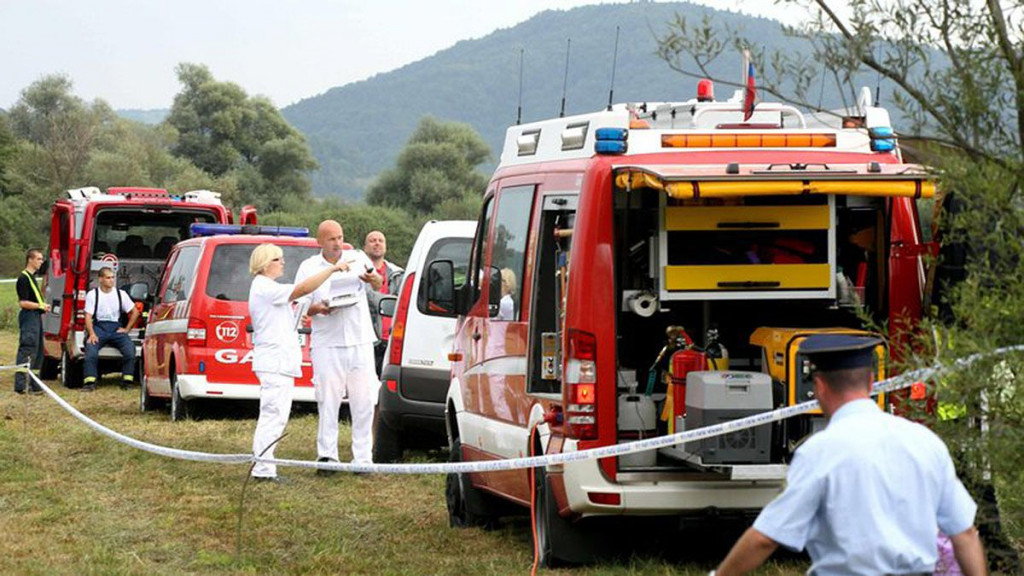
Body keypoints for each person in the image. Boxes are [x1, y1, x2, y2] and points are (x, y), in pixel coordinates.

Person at [712, 334, 988, 576]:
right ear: (870, 381)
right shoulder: (925, 441)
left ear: (818, 386)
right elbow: (964, 533)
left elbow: (765, 539)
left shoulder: (818, 452)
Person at [248, 243, 346, 482]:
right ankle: (263, 469)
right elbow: (302, 289)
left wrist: (302, 314)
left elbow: (282, 318)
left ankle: (265, 465)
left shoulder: (267, 288)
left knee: (277, 414)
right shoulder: (264, 287)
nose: (282, 263)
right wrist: (331, 271)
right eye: (277, 259)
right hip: (274, 362)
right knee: (273, 414)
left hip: (279, 361)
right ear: (265, 264)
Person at [296, 220, 383, 472]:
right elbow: (301, 303)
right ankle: (327, 457)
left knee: (364, 400)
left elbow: (377, 284)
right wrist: (320, 308)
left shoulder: (356, 257)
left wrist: (372, 277)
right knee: (327, 398)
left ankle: (363, 459)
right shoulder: (309, 267)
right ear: (320, 242)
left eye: (340, 237)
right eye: (332, 239)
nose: (337, 243)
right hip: (328, 340)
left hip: (359, 338)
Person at [82, 267, 141, 392]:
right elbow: (88, 316)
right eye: (108, 278)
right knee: (91, 352)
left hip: (116, 329)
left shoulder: (121, 294)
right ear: (100, 279)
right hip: (99, 328)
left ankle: (127, 381)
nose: (111, 280)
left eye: (113, 277)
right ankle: (90, 382)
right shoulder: (93, 294)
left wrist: (127, 329)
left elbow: (135, 312)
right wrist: (92, 334)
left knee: (130, 351)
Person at [363, 230, 403, 374]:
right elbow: (366, 297)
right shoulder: (359, 271)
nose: (377, 243)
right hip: (367, 339)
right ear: (365, 247)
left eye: (380, 241)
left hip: (392, 339)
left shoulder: (398, 274)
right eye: (372, 241)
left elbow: (402, 301)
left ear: (385, 246)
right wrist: (388, 301)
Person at [15, 249, 47, 395]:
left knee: (38, 350)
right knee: (27, 348)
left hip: (36, 316)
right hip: (29, 317)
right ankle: (20, 385)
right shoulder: (23, 278)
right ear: (30, 259)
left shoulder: (32, 277)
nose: (41, 262)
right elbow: (23, 302)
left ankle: (35, 384)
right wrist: (40, 306)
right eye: (39, 259)